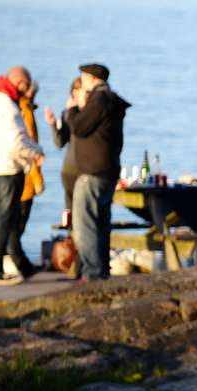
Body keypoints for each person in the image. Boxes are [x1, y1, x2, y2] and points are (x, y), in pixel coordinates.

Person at [0, 66, 45, 285]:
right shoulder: (7, 106)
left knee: (10, 216)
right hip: (6, 168)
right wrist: (35, 151)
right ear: (21, 83)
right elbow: (16, 141)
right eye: (26, 85)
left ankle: (21, 265)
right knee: (6, 218)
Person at [67, 63, 129, 281]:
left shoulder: (99, 100)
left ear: (92, 79)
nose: (81, 82)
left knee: (85, 226)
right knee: (101, 224)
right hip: (108, 171)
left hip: (93, 172)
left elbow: (79, 127)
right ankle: (101, 271)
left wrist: (73, 108)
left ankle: (92, 274)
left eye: (83, 78)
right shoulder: (112, 100)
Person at [15, 80, 45, 273]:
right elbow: (29, 146)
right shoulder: (25, 112)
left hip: (18, 172)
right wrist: (37, 180)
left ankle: (12, 258)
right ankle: (14, 259)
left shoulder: (20, 109)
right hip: (25, 177)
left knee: (14, 219)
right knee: (19, 220)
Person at [44, 77, 83, 215]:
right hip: (70, 169)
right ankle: (72, 235)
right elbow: (60, 142)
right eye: (75, 90)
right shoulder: (67, 113)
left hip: (87, 169)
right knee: (70, 210)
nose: (77, 94)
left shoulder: (92, 114)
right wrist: (53, 124)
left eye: (81, 90)